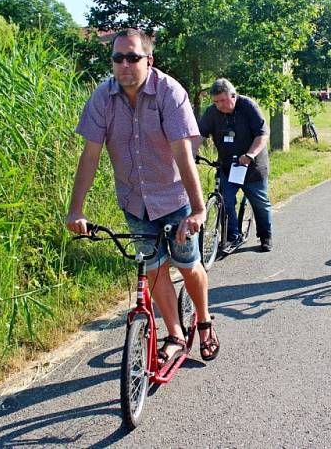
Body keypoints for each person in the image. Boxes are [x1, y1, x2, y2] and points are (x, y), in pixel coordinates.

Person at [66, 28, 219, 365]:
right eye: (117, 58)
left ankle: (204, 323)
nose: (124, 64)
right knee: (154, 269)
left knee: (188, 264)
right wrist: (75, 209)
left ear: (148, 60)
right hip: (135, 201)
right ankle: (175, 334)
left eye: (132, 57)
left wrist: (196, 209)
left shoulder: (170, 93)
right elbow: (89, 156)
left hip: (174, 198)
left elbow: (183, 154)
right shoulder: (101, 99)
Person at [198, 78, 274, 252]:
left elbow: (262, 135)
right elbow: (199, 135)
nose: (219, 105)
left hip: (252, 167)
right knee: (225, 200)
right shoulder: (212, 113)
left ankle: (265, 236)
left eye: (223, 101)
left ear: (233, 95)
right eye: (216, 102)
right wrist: (191, 153)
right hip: (227, 166)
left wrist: (250, 154)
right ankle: (233, 234)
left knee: (260, 203)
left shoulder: (248, 107)